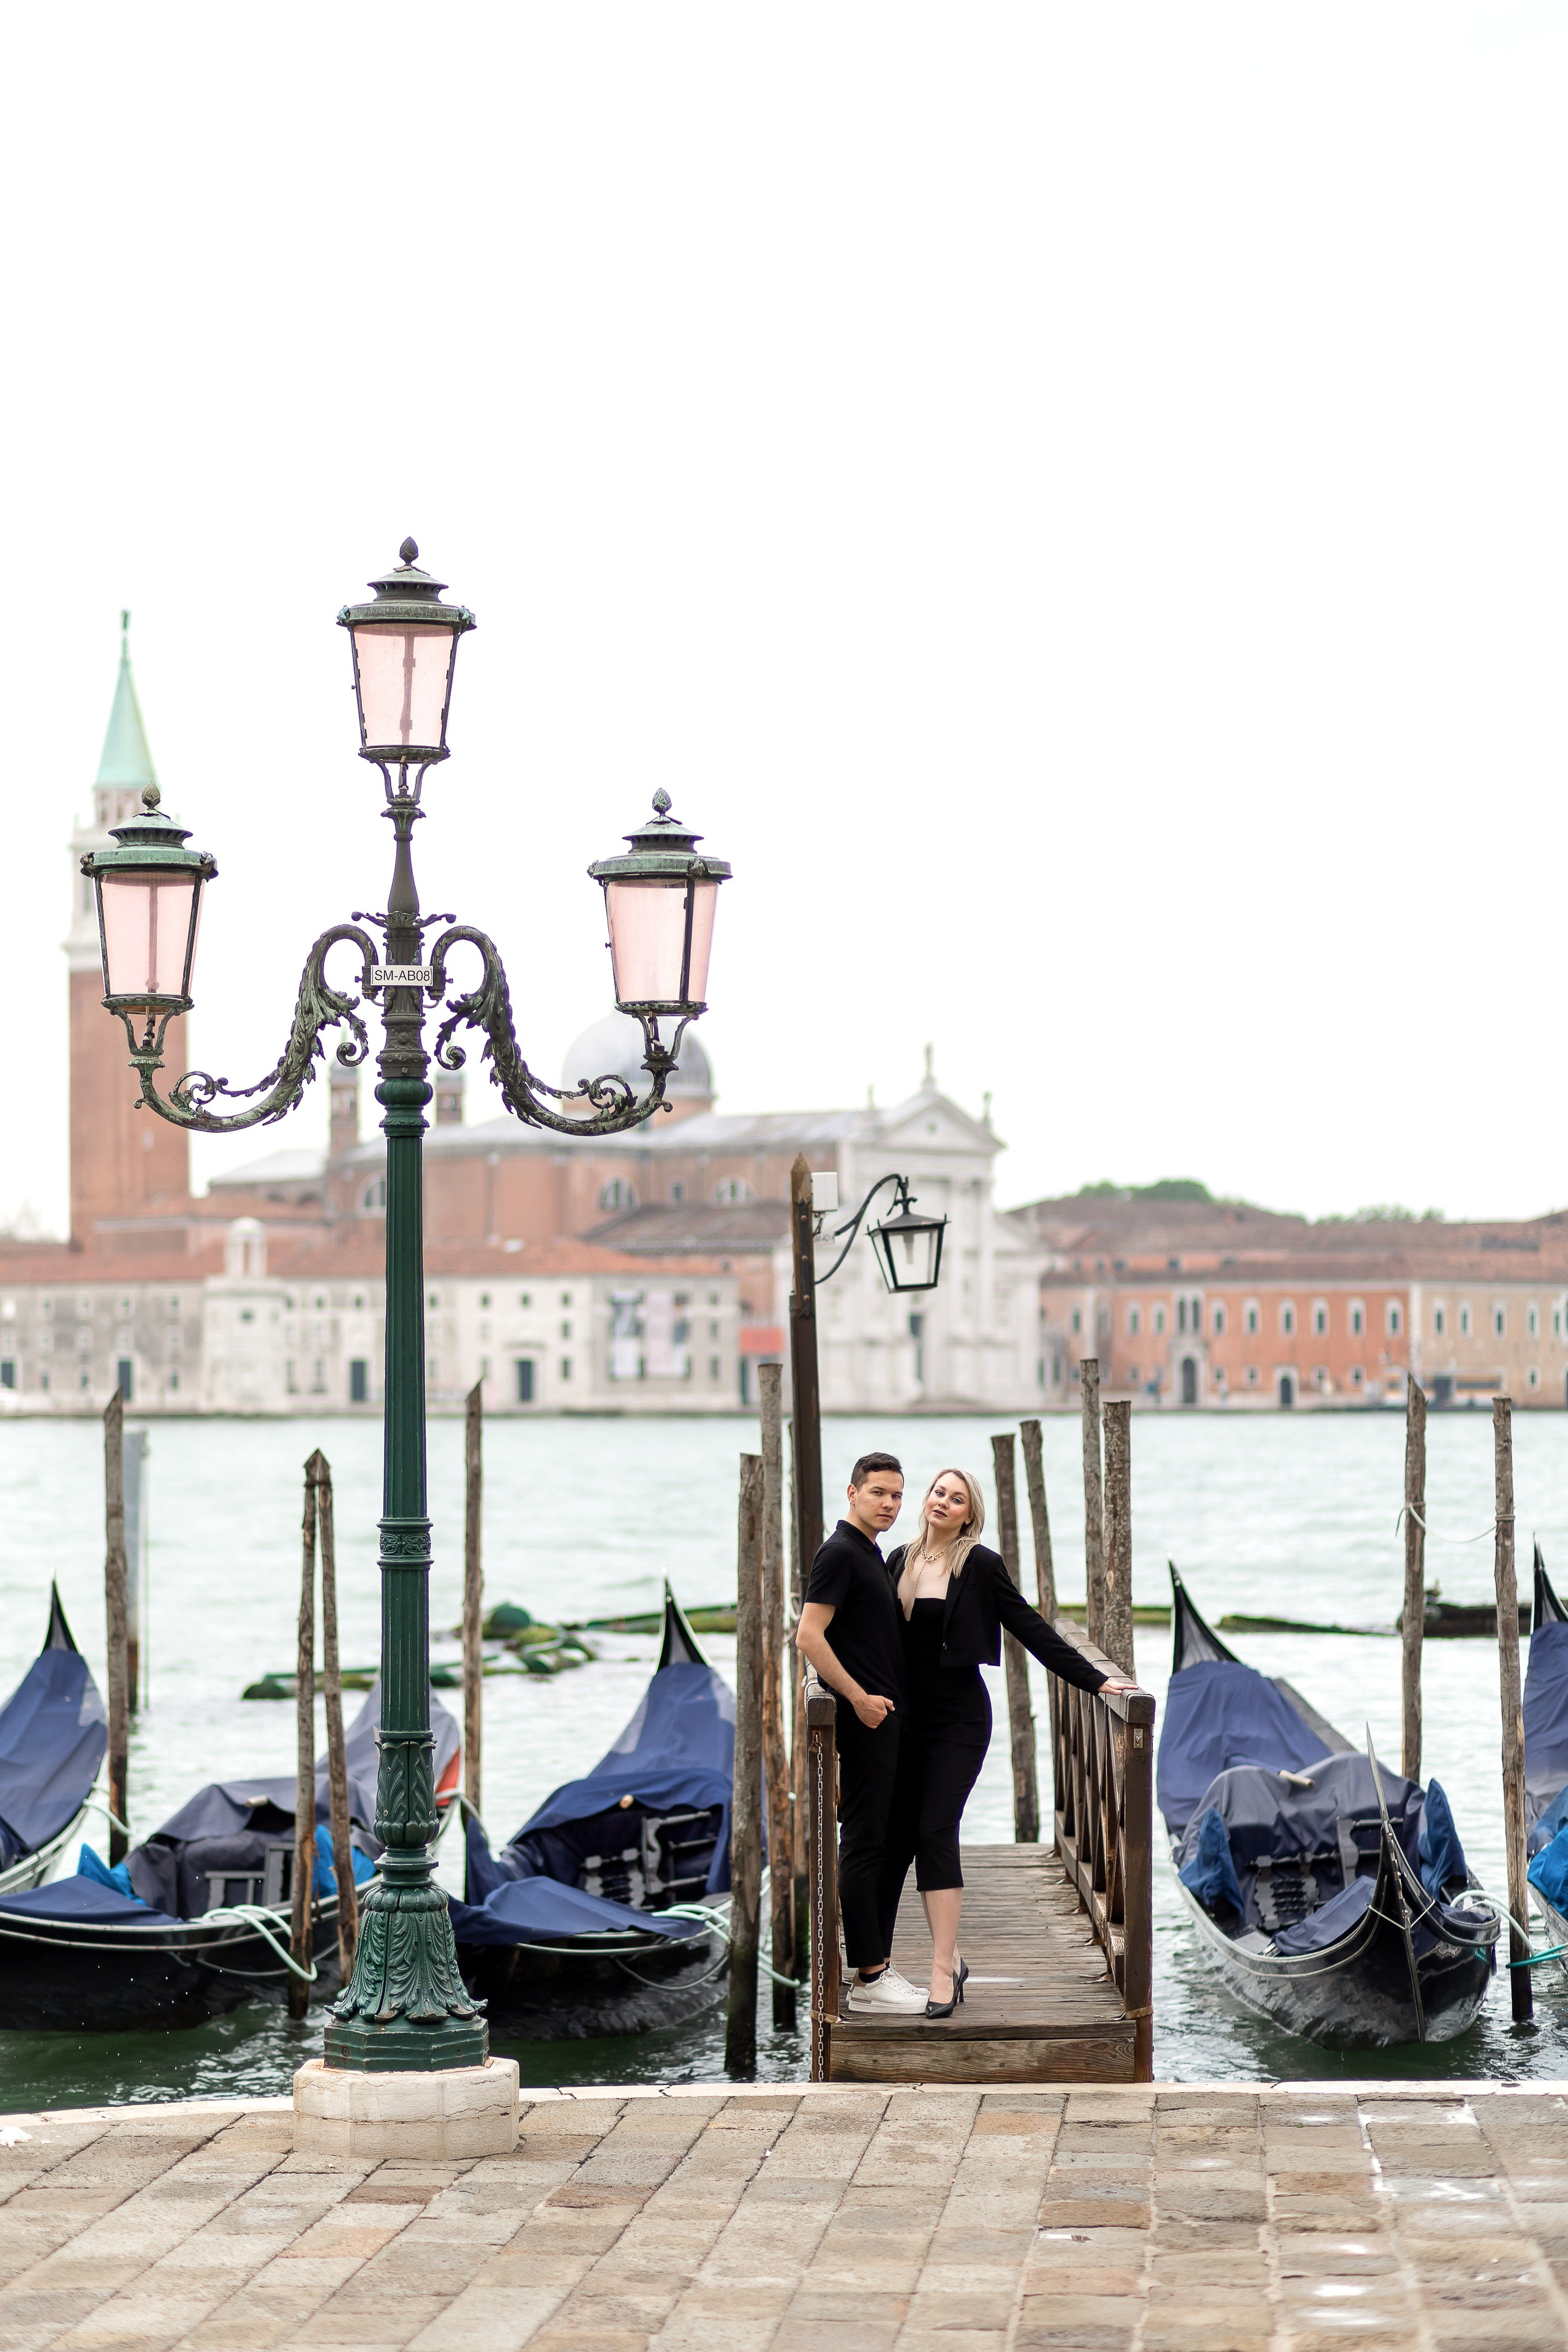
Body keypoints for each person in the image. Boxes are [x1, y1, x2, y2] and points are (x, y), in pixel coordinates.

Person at [889, 1467, 1137, 2018]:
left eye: (956, 1499)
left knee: (936, 1828)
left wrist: (1096, 1680)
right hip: (906, 1724)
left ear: (969, 1515)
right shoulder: (898, 1560)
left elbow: (1031, 1628)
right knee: (914, 1834)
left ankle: (940, 1966)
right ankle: (948, 1961)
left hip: (959, 1721)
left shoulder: (979, 1565)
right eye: (938, 1492)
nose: (943, 1502)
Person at [795, 1451, 927, 2014]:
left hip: (886, 1718)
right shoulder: (840, 1554)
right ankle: (869, 1977)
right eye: (879, 1493)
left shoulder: (870, 1553)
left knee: (882, 1837)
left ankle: (876, 1967)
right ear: (852, 1494)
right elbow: (808, 1635)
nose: (889, 1505)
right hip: (864, 1718)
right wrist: (857, 1697)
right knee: (864, 1840)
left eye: (897, 1496)